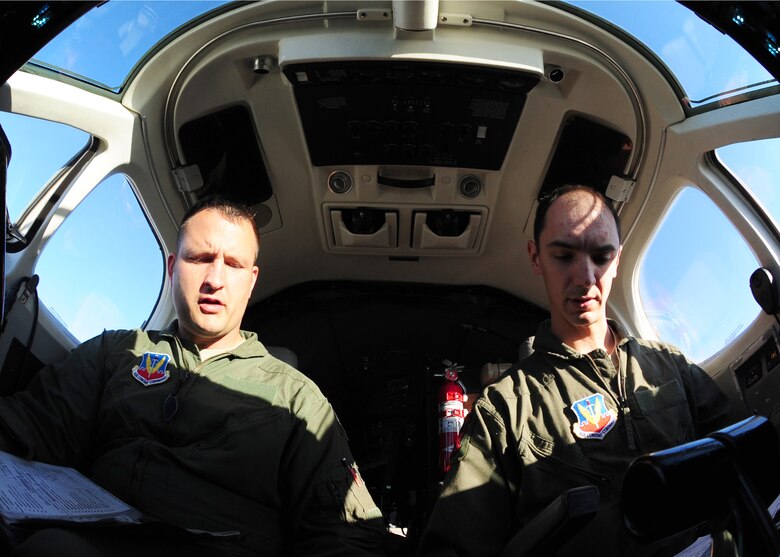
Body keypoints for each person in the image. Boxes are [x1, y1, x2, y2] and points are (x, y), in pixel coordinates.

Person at [0, 196, 386, 556]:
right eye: (200, 258)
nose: (215, 279)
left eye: (233, 265)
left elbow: (344, 532)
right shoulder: (115, 353)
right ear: (172, 267)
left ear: (251, 281)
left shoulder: (296, 398)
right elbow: (28, 427)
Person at [418, 184, 737, 556]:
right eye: (565, 256)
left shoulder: (670, 365)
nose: (585, 276)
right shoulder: (504, 409)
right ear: (536, 258)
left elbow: (740, 459)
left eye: (601, 256)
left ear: (617, 261)